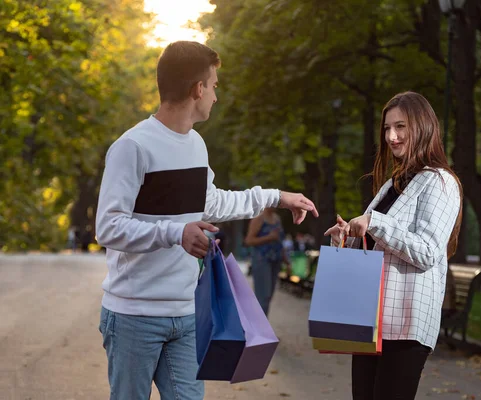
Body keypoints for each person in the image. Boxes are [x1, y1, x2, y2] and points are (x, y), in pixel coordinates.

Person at [95, 41, 318, 400]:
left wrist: (276, 196)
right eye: (214, 86)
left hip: (186, 313)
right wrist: (176, 232)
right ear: (198, 89)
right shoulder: (132, 146)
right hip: (134, 315)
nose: (215, 95)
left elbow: (212, 203)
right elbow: (108, 227)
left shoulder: (196, 145)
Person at [325, 91, 462, 400]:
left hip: (405, 325)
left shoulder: (439, 181)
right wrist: (348, 236)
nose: (391, 136)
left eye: (400, 127)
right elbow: (378, 247)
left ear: (423, 126)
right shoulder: (393, 184)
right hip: (371, 319)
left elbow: (427, 251)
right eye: (387, 128)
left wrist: (375, 222)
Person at [244, 207, 289, 316]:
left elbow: (279, 240)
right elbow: (248, 240)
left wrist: (286, 260)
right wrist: (269, 237)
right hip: (262, 260)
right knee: (263, 296)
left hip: (276, 260)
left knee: (269, 296)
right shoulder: (259, 219)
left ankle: (262, 325)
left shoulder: (277, 219)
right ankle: (260, 328)